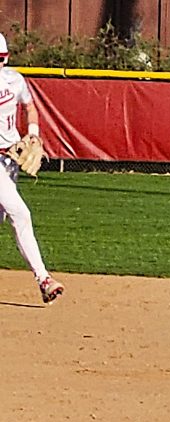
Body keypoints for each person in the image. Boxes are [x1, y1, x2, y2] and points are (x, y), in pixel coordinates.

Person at [0, 33, 63, 304]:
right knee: (20, 213)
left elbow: (30, 107)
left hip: (12, 159)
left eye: (0, 58)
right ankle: (44, 278)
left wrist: (34, 134)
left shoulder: (15, 79)